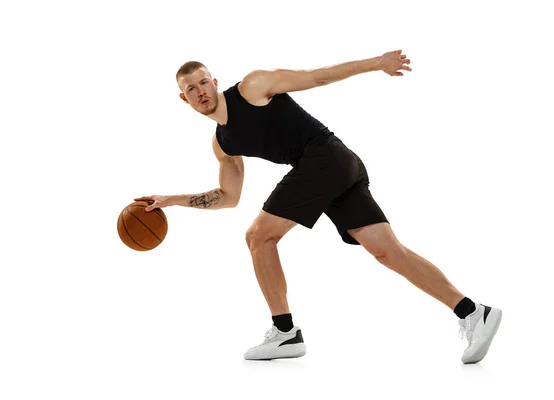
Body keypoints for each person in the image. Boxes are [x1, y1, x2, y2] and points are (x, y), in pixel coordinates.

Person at [135, 49, 502, 364]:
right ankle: (473, 312)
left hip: (323, 158)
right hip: (337, 167)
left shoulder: (252, 86)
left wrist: (377, 62)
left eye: (203, 83)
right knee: (388, 252)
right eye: (191, 89)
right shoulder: (223, 144)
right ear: (184, 99)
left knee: (258, 237)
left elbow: (316, 78)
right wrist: (172, 201)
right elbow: (228, 197)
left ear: (214, 81)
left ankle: (285, 332)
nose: (200, 92)